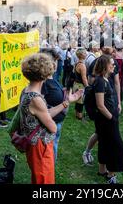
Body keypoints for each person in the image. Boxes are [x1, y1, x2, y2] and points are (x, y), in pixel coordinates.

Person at [18, 53, 81, 184]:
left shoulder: (26, 90)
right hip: (40, 145)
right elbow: (52, 127)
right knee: (44, 179)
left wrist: (67, 102)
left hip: (34, 143)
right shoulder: (36, 98)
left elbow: (45, 113)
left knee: (38, 177)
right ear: (45, 74)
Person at [40, 48, 82, 162]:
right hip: (49, 125)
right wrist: (67, 101)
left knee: (54, 146)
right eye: (55, 61)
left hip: (57, 122)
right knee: (49, 154)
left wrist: (63, 92)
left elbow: (53, 97)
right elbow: (43, 111)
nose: (57, 64)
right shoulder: (41, 83)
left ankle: (50, 170)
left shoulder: (51, 79)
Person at [93, 55, 123, 184]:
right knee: (117, 146)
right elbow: (100, 105)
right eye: (111, 64)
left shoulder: (106, 79)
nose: (114, 66)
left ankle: (102, 170)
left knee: (104, 143)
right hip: (106, 119)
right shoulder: (100, 81)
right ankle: (111, 175)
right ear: (104, 66)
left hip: (107, 118)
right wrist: (112, 118)